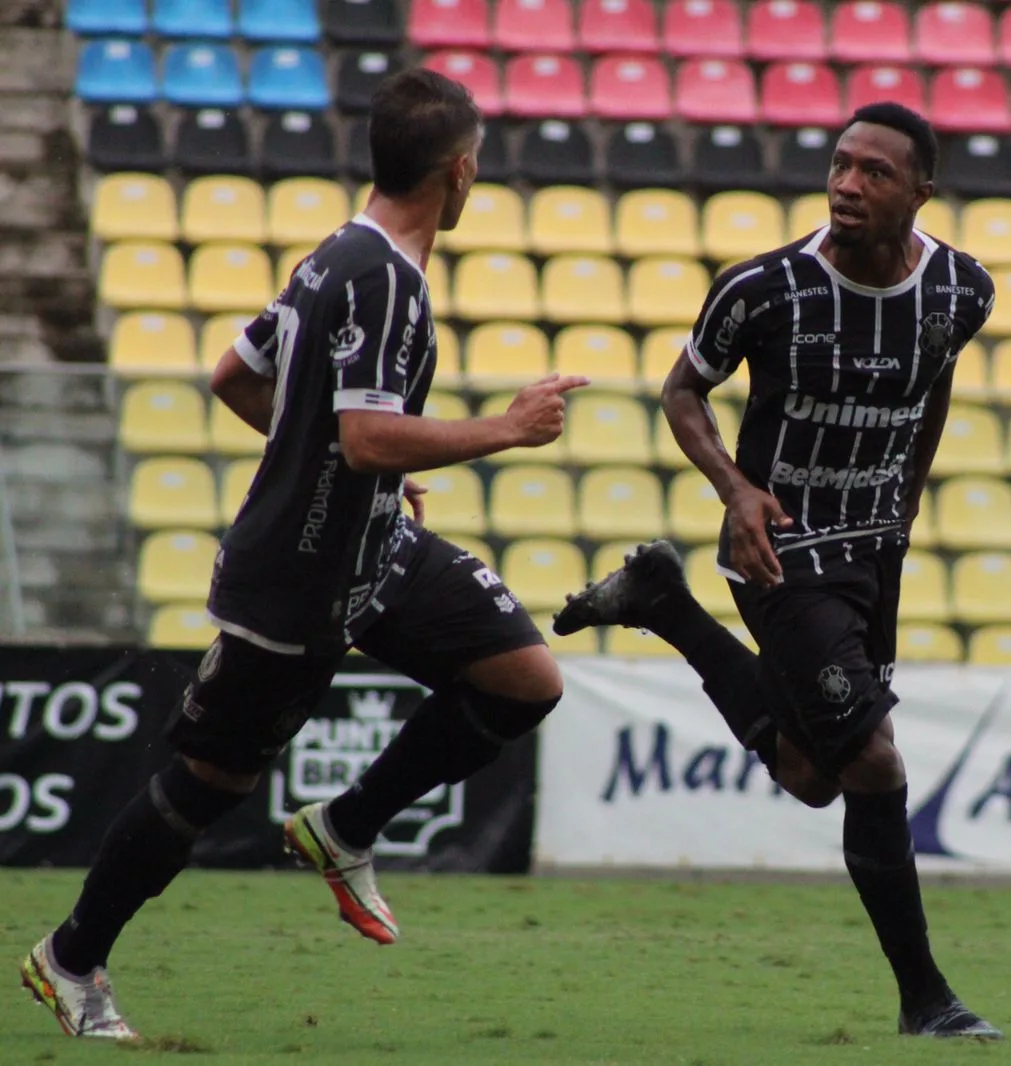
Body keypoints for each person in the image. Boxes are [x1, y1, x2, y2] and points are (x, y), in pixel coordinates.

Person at [21, 68, 588, 1039]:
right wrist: (504, 427)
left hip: (377, 549)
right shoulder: (383, 281)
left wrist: (344, 468)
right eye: (477, 163)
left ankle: (346, 825)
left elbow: (238, 374)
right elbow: (366, 435)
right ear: (458, 172)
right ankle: (70, 958)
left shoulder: (334, 258)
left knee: (524, 678)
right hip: (295, 581)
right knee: (211, 784)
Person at [552, 103, 1000, 1040]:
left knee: (811, 772)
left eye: (875, 172)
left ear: (920, 192)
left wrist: (907, 498)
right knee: (874, 763)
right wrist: (736, 491)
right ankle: (928, 1000)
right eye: (839, 164)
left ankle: (663, 604)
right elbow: (683, 391)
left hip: (875, 550)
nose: (846, 184)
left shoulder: (962, 288)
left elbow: (938, 371)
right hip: (780, 548)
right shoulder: (764, 290)